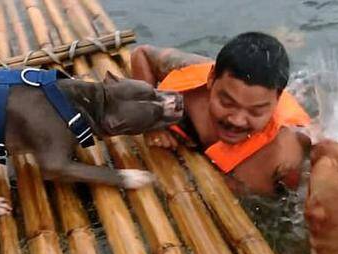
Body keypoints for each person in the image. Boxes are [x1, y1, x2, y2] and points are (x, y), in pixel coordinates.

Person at [131, 32, 311, 196]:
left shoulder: (284, 159)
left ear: (277, 99)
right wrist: (151, 121)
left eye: (256, 111)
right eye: (227, 103)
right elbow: (142, 54)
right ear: (211, 80)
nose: (237, 120)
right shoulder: (194, 78)